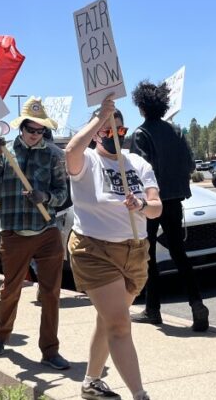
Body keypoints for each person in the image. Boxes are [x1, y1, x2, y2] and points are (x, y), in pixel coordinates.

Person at [66, 96, 160, 400]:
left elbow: (157, 207)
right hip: (94, 250)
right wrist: (99, 118)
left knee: (107, 319)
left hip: (134, 251)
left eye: (120, 131)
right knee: (120, 324)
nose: (115, 136)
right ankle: (140, 394)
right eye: (107, 132)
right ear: (96, 134)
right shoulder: (88, 161)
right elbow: (70, 151)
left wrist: (142, 204)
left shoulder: (138, 162)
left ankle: (91, 382)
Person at [0, 97, 72, 370]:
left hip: (47, 232)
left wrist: (46, 197)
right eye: (30, 129)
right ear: (21, 128)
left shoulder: (55, 155)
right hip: (13, 233)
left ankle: (50, 350)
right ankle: (1, 335)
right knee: (10, 289)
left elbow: (62, 193)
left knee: (51, 293)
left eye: (40, 130)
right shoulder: (5, 151)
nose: (34, 134)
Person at [127, 80, 209, 332]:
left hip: (152, 201)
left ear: (141, 107)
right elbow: (191, 164)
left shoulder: (140, 134)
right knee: (179, 253)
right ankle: (197, 304)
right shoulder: (176, 131)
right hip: (174, 201)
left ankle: (153, 309)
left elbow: (141, 171)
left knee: (149, 255)